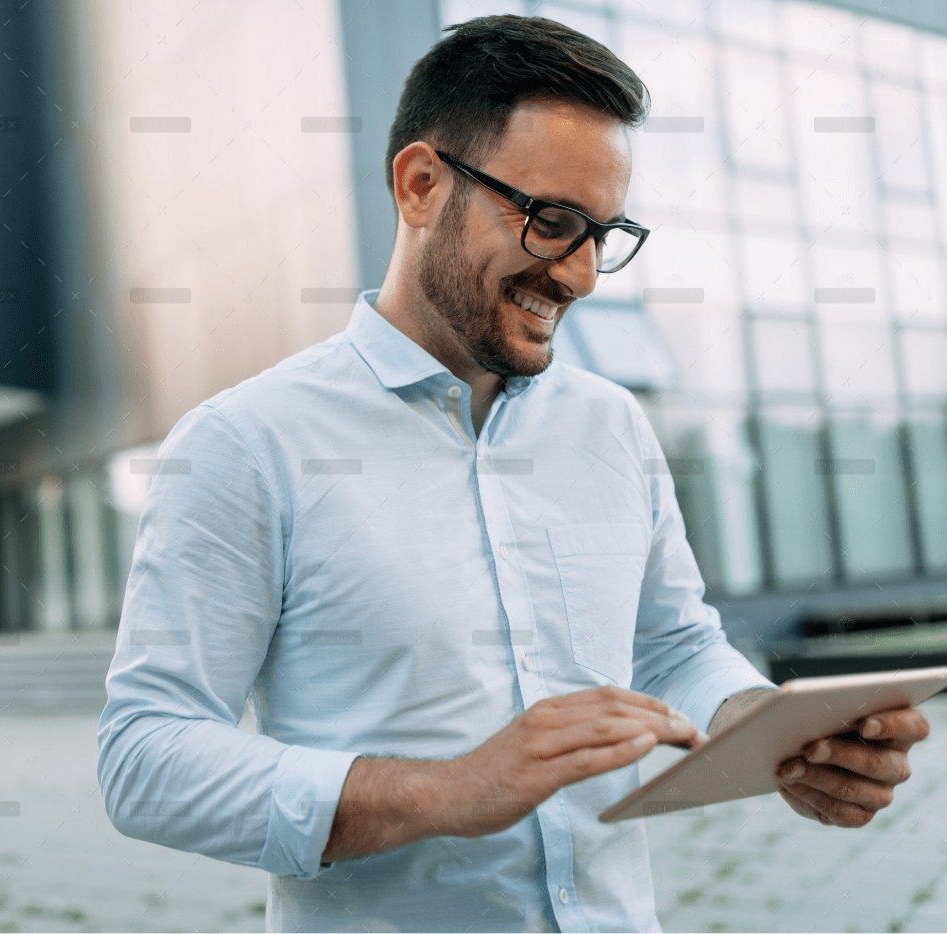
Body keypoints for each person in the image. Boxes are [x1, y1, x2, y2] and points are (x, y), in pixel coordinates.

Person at [96, 14, 930, 932]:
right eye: (552, 221)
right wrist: (450, 791)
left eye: (603, 234)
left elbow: (672, 644)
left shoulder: (611, 426)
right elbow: (146, 757)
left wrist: (766, 734)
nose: (580, 274)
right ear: (420, 185)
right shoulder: (247, 443)